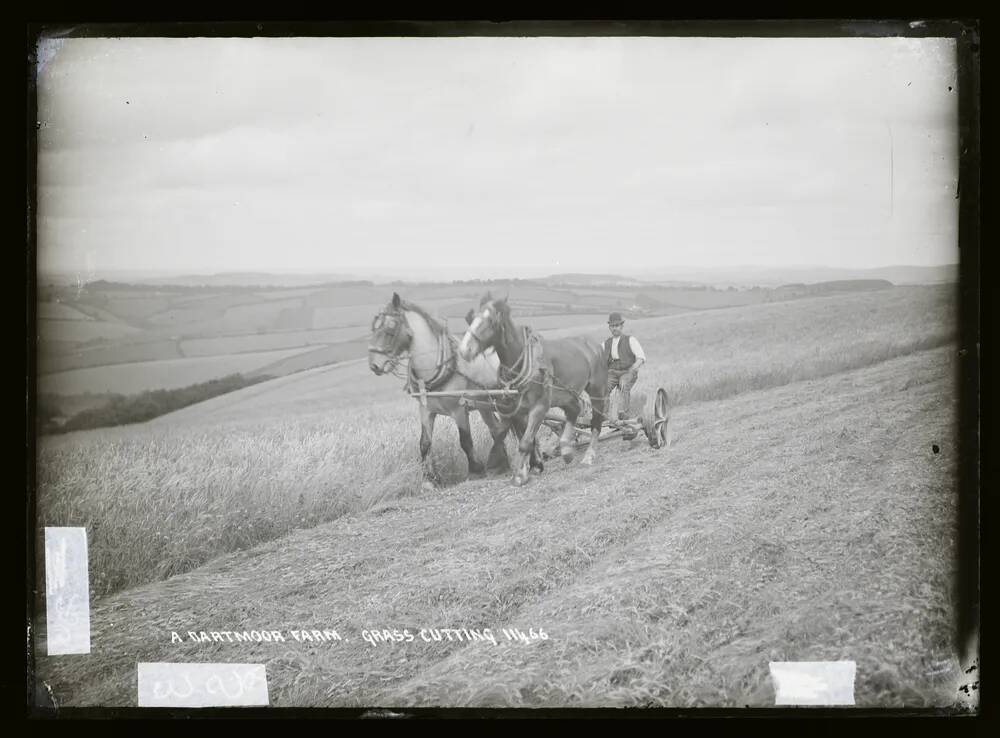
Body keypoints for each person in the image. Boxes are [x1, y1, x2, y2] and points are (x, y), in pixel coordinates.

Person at [602, 312, 646, 422]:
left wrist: (632, 370)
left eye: (616, 326)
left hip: (628, 371)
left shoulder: (630, 340)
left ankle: (623, 414)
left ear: (621, 326)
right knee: (602, 387)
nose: (614, 328)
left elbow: (641, 358)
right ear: (609, 327)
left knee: (623, 383)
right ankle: (603, 414)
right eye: (612, 326)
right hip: (612, 373)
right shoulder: (606, 343)